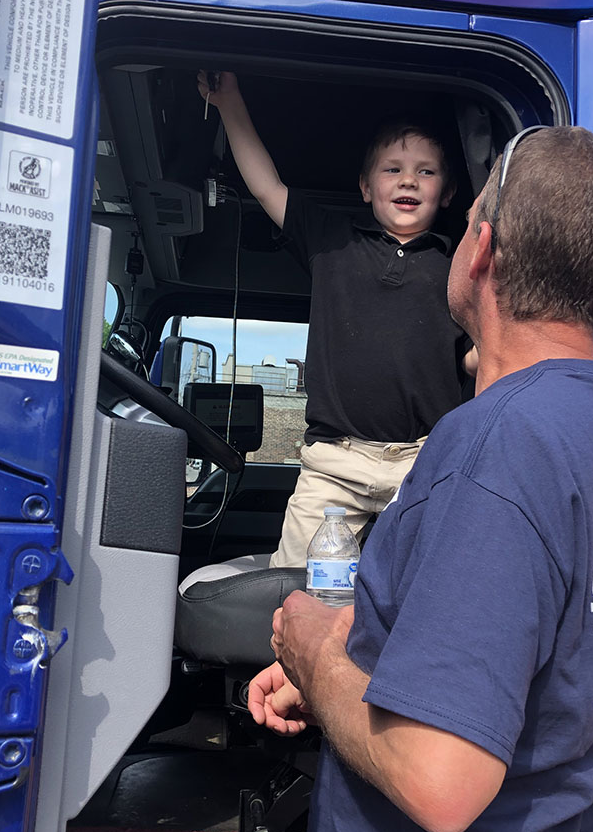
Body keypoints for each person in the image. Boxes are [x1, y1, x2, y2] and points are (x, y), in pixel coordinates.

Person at [248, 125, 593, 832]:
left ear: (481, 248)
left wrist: (313, 651)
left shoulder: (494, 451)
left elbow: (440, 781)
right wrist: (359, 660)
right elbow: (569, 671)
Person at [197, 70, 471, 568]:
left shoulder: (459, 267)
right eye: (392, 169)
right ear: (366, 187)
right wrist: (229, 103)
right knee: (293, 584)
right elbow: (267, 187)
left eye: (426, 172)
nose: (408, 180)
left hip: (425, 463)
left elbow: (474, 357)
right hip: (334, 462)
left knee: (429, 587)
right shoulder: (332, 240)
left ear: (448, 193)